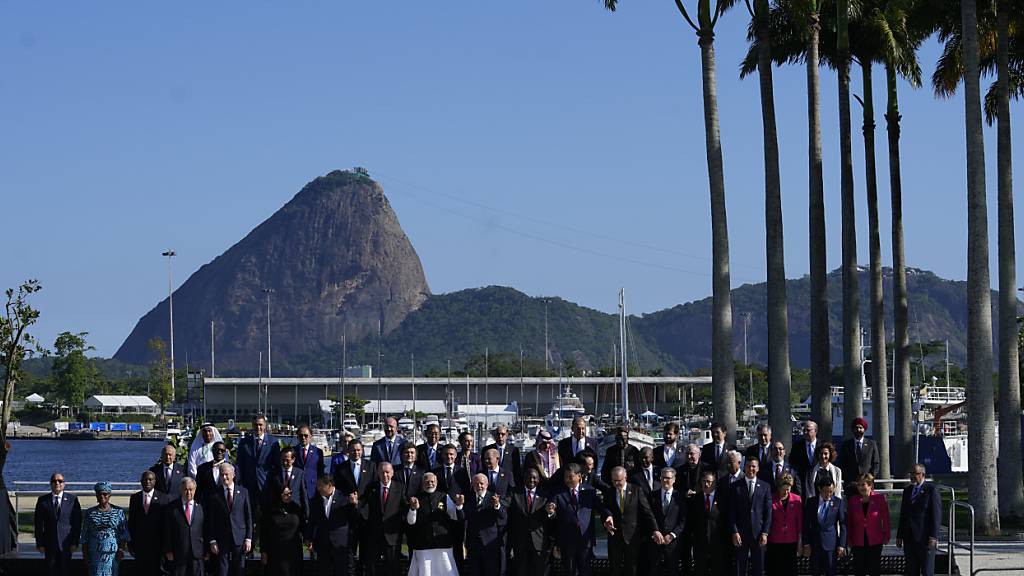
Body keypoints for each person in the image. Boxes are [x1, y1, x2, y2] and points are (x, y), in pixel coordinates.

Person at [548, 463, 603, 576]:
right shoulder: (557, 492)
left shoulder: (589, 490)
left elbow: (601, 508)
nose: (567, 479)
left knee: (585, 570)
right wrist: (551, 511)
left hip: (585, 539)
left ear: (579, 476)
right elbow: (552, 509)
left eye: (570, 476)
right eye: (565, 476)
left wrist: (608, 517)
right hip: (567, 540)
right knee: (570, 571)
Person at [603, 466, 656, 576]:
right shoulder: (609, 492)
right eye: (614, 481)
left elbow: (647, 511)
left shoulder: (636, 490)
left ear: (625, 477)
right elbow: (605, 509)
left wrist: (655, 529)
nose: (617, 483)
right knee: (614, 568)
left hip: (632, 537)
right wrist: (607, 519)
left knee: (631, 568)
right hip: (615, 537)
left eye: (619, 480)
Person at [406, 472, 463, 576]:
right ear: (422, 483)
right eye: (427, 481)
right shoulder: (416, 498)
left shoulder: (444, 497)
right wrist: (413, 509)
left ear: (436, 482)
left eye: (432, 481)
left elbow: (454, 516)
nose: (430, 483)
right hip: (423, 544)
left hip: (443, 544)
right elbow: (410, 521)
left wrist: (458, 506)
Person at [333, 439, 374, 576]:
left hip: (366, 516)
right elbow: (337, 491)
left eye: (358, 450)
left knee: (366, 552)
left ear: (362, 451)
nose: (356, 452)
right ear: (348, 451)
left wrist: (360, 504)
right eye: (353, 450)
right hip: (348, 516)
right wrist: (348, 499)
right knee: (349, 552)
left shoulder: (371, 466)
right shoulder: (341, 468)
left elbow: (373, 490)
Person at [358, 462, 405, 576]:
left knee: (393, 567)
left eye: (387, 472)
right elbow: (364, 507)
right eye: (382, 472)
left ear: (392, 473)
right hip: (374, 534)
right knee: (372, 567)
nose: (385, 475)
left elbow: (404, 508)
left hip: (392, 535)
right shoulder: (371, 487)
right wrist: (356, 504)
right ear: (378, 473)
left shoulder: (400, 487)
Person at [306, 475, 357, 576]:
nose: (318, 488)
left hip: (340, 544)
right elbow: (312, 521)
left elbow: (353, 519)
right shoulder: (315, 500)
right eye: (317, 485)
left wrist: (354, 505)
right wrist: (308, 538)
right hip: (323, 544)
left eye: (320, 485)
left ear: (330, 485)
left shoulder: (344, 497)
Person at [207, 463, 253, 576]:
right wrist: (212, 540)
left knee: (239, 569)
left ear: (233, 475)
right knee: (222, 570)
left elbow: (248, 517)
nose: (224, 477)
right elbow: (211, 520)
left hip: (239, 537)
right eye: (222, 475)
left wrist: (248, 538)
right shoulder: (214, 495)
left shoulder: (243, 492)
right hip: (222, 538)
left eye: (227, 474)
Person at [729, 456, 772, 576]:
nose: (750, 469)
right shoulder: (735, 487)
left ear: (758, 468)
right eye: (748, 466)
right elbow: (731, 512)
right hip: (740, 535)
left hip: (758, 534)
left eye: (753, 466)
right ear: (744, 467)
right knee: (739, 568)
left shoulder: (765, 486)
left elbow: (768, 512)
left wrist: (765, 532)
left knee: (759, 568)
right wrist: (734, 532)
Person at [897, 463, 941, 576]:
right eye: (910, 473)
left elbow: (936, 515)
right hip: (909, 537)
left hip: (925, 537)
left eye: (915, 474)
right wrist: (899, 535)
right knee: (911, 570)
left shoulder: (931, 490)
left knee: (927, 570)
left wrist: (934, 536)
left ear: (922, 474)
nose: (912, 476)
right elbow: (903, 514)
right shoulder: (907, 490)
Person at [34, 472, 81, 576]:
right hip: (49, 544)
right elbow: (38, 524)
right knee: (50, 571)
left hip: (66, 545)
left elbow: (77, 523)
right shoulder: (42, 501)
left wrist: (75, 542)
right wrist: (39, 543)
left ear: (64, 484)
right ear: (50, 483)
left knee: (65, 571)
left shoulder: (72, 500)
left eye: (60, 481)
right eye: (54, 481)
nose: (57, 483)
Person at [508, 468, 553, 576]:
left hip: (539, 542)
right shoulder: (515, 493)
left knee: (539, 572)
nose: (531, 480)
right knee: (521, 571)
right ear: (524, 478)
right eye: (529, 477)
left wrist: (550, 512)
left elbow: (551, 518)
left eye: (534, 478)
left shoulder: (545, 495)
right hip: (520, 542)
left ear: (539, 479)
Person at [80, 481, 129, 576]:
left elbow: (124, 533)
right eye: (99, 494)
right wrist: (85, 554)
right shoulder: (90, 513)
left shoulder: (118, 512)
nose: (102, 496)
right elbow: (85, 535)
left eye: (105, 494)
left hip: (112, 554)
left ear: (109, 495)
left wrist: (121, 550)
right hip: (94, 553)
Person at [847, 473, 890, 576]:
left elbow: (885, 518)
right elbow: (849, 521)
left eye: (863, 484)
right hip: (858, 540)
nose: (860, 487)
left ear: (870, 485)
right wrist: (849, 539)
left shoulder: (879, 498)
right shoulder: (853, 500)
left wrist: (886, 535)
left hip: (875, 539)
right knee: (859, 569)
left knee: (874, 569)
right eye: (858, 485)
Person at [235, 414, 281, 511]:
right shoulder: (244, 443)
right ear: (252, 425)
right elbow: (239, 465)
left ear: (264, 426)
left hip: (266, 485)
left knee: (266, 515)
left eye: (260, 425)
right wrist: (238, 484)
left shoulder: (273, 443)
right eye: (256, 425)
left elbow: (276, 465)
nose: (258, 427)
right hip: (248, 485)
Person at [802, 475, 846, 576]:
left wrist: (842, 545)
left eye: (831, 492)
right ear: (819, 489)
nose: (829, 495)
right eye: (826, 492)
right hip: (815, 545)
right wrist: (806, 543)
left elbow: (843, 524)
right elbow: (805, 525)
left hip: (831, 545)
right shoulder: (811, 502)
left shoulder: (838, 502)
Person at [260, 483, 305, 576]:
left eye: (290, 493)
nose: (288, 496)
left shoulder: (296, 508)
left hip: (293, 551)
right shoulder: (269, 510)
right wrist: (263, 552)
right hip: (275, 551)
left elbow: (303, 526)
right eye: (285, 494)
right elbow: (264, 532)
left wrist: (309, 540)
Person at [164, 477, 206, 576]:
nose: (188, 492)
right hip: (178, 552)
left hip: (197, 552)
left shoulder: (201, 506)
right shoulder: (172, 507)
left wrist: (206, 550)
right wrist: (168, 550)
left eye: (191, 489)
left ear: (195, 490)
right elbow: (167, 530)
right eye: (186, 489)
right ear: (181, 490)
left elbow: (205, 528)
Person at [648, 467, 686, 576]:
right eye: (663, 478)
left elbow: (683, 520)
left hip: (673, 543)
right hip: (656, 541)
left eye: (668, 478)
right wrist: (655, 531)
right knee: (654, 570)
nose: (665, 481)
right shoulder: (652, 496)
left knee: (673, 570)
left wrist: (673, 535)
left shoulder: (680, 497)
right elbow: (649, 516)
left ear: (674, 479)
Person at [128, 471, 167, 576]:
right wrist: (130, 543)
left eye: (150, 479)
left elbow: (166, 524)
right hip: (140, 546)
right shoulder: (135, 498)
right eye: (145, 479)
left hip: (158, 546)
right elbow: (131, 521)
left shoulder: (163, 498)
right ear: (141, 482)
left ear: (155, 481)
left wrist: (166, 546)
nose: (147, 482)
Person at [689, 471, 727, 576]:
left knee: (717, 569)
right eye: (704, 481)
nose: (706, 484)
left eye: (709, 482)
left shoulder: (722, 499)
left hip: (717, 542)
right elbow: (692, 521)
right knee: (700, 569)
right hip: (700, 542)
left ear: (714, 483)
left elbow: (725, 520)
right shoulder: (696, 498)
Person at [765, 474, 802, 576]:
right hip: (775, 541)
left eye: (788, 489)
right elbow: (767, 519)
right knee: (775, 570)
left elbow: (799, 521)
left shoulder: (797, 499)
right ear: (778, 487)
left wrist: (800, 541)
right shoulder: (771, 498)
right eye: (783, 489)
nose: (786, 492)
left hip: (791, 541)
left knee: (790, 570)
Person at [837, 418, 881, 494]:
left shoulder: (871, 444)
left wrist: (870, 477)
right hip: (851, 485)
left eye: (861, 428)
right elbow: (842, 463)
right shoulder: (846, 445)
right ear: (853, 429)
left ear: (864, 429)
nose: (858, 429)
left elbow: (876, 463)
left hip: (867, 485)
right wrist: (849, 480)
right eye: (856, 427)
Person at [268, 448, 308, 516]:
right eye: (283, 460)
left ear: (293, 459)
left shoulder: (299, 473)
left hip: (295, 512)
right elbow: (270, 493)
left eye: (287, 460)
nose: (285, 462)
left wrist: (306, 513)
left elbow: (303, 494)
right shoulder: (274, 473)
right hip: (279, 513)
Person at [294, 425, 326, 501]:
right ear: (297, 437)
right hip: (297, 488)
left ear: (310, 436)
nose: (303, 438)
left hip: (313, 489)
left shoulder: (318, 452)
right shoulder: (293, 451)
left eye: (306, 435)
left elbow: (320, 471)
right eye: (300, 435)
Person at [195, 442, 228, 506]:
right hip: (207, 507)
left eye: (222, 450)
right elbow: (198, 490)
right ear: (212, 451)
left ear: (225, 452)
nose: (219, 452)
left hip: (226, 507)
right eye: (217, 450)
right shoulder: (202, 468)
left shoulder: (233, 468)